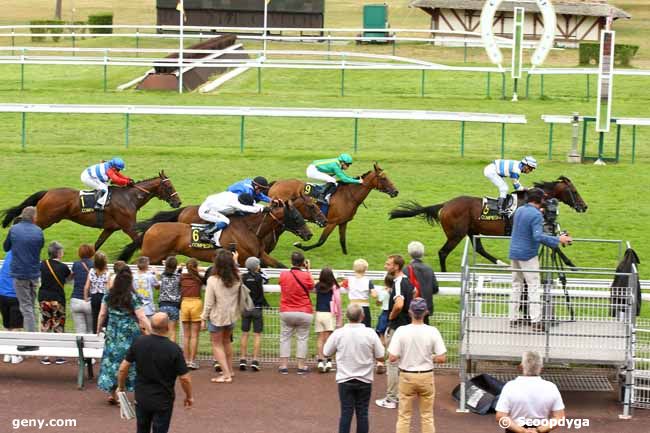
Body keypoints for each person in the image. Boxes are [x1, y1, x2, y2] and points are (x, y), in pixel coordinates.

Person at [509, 188, 572, 333]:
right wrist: (558, 239)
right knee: (534, 287)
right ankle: (536, 321)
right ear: (539, 200)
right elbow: (537, 236)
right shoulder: (536, 215)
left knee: (516, 286)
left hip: (514, 253)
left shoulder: (519, 210)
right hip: (528, 255)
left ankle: (513, 318)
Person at [118, 313, 193, 433]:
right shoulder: (174, 349)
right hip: (163, 399)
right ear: (168, 327)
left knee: (142, 428)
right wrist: (189, 396)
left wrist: (121, 388)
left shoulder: (139, 342)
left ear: (151, 326)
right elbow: (185, 378)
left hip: (142, 396)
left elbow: (123, 368)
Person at [387, 298, 447, 433]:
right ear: (426, 312)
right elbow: (442, 357)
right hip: (426, 375)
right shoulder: (433, 331)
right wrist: (431, 357)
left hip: (406, 375)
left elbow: (392, 357)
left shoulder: (401, 331)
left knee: (404, 416)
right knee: (427, 416)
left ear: (410, 312)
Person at [323, 304, 385, 433]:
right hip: (364, 379)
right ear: (362, 316)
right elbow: (380, 355)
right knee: (362, 413)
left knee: (346, 413)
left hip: (345, 379)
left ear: (347, 316)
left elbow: (326, 352)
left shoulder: (339, 333)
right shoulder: (370, 333)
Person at [97, 267, 151, 405]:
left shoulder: (109, 295)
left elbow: (102, 313)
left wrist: (98, 328)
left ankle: (112, 392)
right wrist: (151, 330)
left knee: (112, 360)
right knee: (128, 362)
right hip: (129, 334)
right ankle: (121, 391)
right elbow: (141, 316)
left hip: (113, 331)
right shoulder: (132, 297)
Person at [376, 254, 414, 409]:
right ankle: (403, 395)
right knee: (405, 363)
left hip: (397, 327)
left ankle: (392, 399)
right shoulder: (408, 282)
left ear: (396, 267)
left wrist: (391, 317)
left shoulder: (398, 283)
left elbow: (399, 304)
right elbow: (415, 294)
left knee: (392, 362)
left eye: (388, 264)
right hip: (407, 325)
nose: (386, 266)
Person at [495, 351, 565, 433]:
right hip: (541, 430)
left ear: (521, 367)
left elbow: (500, 417)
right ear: (541, 368)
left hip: (515, 430)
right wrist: (539, 430)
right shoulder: (551, 387)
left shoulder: (510, 386)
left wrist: (523, 431)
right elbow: (560, 417)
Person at [3, 207, 44, 346]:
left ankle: (30, 341)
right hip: (33, 274)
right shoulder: (38, 231)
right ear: (33, 217)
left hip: (20, 274)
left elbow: (6, 247)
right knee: (30, 306)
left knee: (26, 307)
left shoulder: (14, 230)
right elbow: (39, 247)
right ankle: (31, 338)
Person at [201, 249, 242, 383]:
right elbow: (235, 270)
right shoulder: (237, 278)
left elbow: (208, 303)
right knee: (226, 342)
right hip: (231, 316)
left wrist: (203, 318)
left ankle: (225, 374)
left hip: (217, 317)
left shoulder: (213, 280)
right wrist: (235, 261)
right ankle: (229, 370)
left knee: (217, 344)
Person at [278, 251, 314, 375]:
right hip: (304, 312)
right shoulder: (306, 276)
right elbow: (311, 285)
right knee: (302, 339)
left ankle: (283, 366)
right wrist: (308, 270)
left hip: (287, 311)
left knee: (285, 338)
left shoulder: (283, 275)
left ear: (291, 261)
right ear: (303, 263)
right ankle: (301, 366)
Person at [38, 241, 72, 365]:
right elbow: (68, 279)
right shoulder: (63, 267)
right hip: (58, 299)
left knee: (45, 324)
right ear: (59, 253)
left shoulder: (43, 264)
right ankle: (59, 355)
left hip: (44, 298)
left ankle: (45, 356)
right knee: (58, 326)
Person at [239, 256, 270, 372]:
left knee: (244, 334)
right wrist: (260, 270)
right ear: (257, 266)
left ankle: (242, 359)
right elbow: (267, 278)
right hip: (257, 309)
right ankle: (255, 360)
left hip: (246, 309)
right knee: (257, 335)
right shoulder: (259, 277)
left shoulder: (243, 277)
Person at [198, 191, 265, 241]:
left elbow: (252, 204)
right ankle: (205, 234)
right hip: (206, 210)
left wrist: (265, 207)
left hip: (213, 205)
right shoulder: (234, 203)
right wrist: (263, 209)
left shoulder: (238, 196)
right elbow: (247, 209)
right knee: (226, 221)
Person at [314, 267, 342, 373]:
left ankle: (321, 361)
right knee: (329, 339)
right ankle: (329, 360)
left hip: (318, 314)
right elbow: (338, 301)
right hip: (329, 314)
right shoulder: (333, 287)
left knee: (320, 339)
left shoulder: (318, 286)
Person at [0, 251, 25, 364]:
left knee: (7, 324)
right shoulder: (23, 257)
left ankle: (7, 353)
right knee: (16, 326)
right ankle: (14, 353)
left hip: (2, 294)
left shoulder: (9, 255)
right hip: (15, 296)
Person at [405, 241, 438, 324]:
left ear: (409, 253)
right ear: (422, 253)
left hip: (410, 309)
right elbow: (435, 288)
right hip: (425, 308)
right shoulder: (429, 269)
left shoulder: (406, 270)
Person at [180, 259, 204, 370]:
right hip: (196, 303)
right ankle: (192, 361)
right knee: (194, 335)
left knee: (186, 335)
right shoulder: (199, 278)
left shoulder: (182, 277)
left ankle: (185, 360)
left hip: (184, 303)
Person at [341, 258, 376, 328]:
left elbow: (340, 286)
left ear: (354, 268)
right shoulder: (368, 281)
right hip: (364, 307)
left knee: (352, 326)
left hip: (352, 306)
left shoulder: (348, 280)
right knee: (365, 328)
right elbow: (374, 295)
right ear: (366, 269)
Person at [70, 244, 94, 334]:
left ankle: (79, 348)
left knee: (79, 332)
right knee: (91, 331)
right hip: (90, 300)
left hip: (76, 299)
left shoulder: (76, 264)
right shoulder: (94, 265)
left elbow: (70, 277)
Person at [84, 251, 110, 334]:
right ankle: (104, 332)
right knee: (105, 317)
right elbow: (108, 288)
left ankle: (96, 333)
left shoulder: (91, 271)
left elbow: (87, 286)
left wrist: (85, 298)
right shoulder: (107, 273)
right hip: (103, 296)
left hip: (94, 296)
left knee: (95, 317)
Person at [158, 256, 182, 343]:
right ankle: (172, 353)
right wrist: (179, 269)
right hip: (174, 306)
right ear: (175, 266)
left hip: (163, 305)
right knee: (172, 331)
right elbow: (176, 274)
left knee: (162, 331)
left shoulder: (163, 276)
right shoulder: (179, 276)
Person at [374, 274, 393, 375]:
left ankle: (380, 362)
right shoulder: (395, 292)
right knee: (392, 337)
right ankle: (391, 362)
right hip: (393, 314)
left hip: (385, 314)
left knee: (381, 336)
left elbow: (378, 302)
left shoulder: (383, 292)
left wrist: (379, 295)